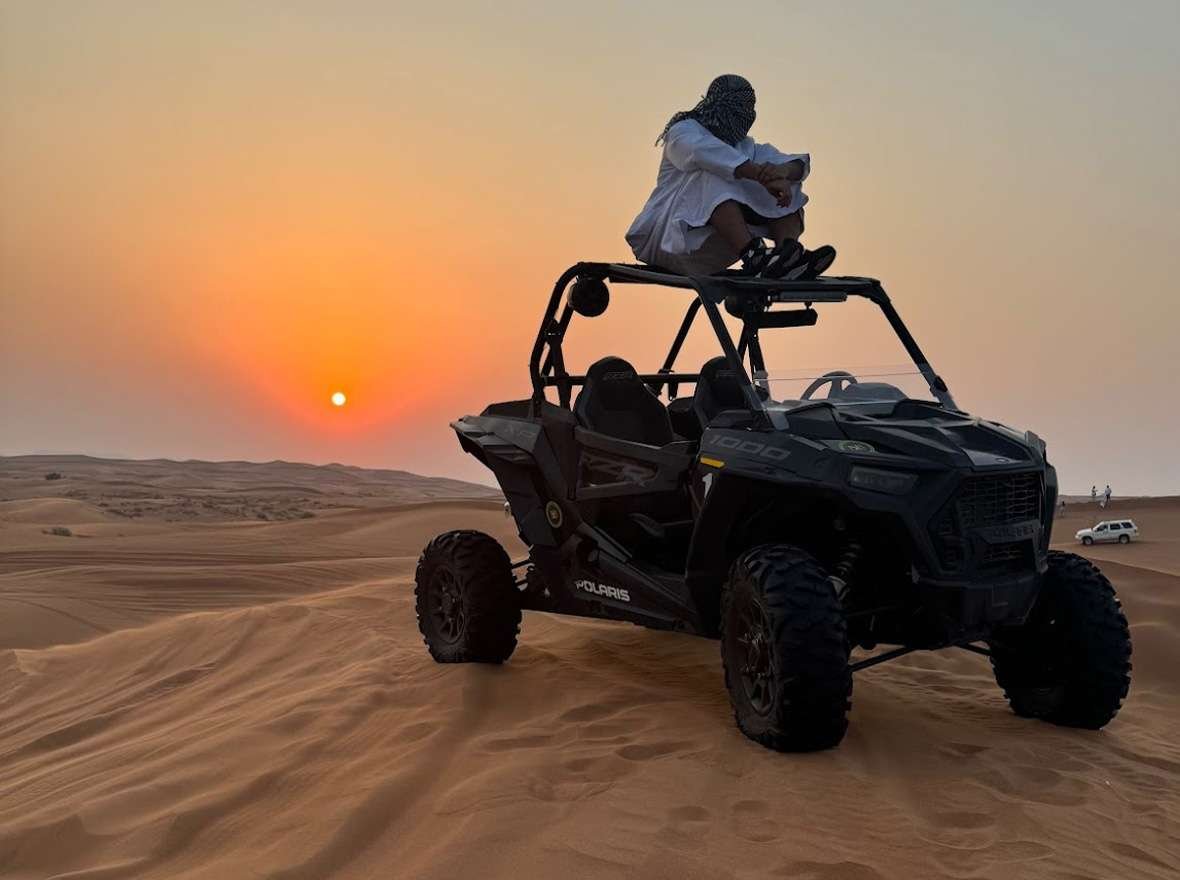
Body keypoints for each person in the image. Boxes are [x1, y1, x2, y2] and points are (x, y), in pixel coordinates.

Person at [626, 74, 836, 279]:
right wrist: (759, 176)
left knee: (788, 184)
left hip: (708, 246)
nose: (746, 115)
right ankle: (753, 256)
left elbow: (798, 163)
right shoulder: (683, 131)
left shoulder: (744, 147)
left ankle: (786, 257)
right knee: (713, 175)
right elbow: (702, 153)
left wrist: (781, 173)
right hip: (667, 239)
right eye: (739, 108)